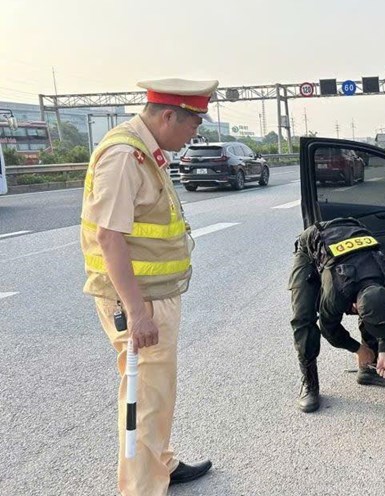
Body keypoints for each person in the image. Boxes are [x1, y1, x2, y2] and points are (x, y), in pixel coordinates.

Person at [80, 78, 217, 495]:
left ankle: (160, 464)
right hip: (139, 301)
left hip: (152, 296)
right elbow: (109, 238)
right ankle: (142, 488)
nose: (195, 132)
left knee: (158, 392)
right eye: (193, 123)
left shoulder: (145, 151)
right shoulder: (124, 156)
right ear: (168, 115)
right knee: (144, 397)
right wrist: (137, 312)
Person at [289, 217, 385, 413]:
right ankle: (310, 383)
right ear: (354, 306)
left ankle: (370, 367)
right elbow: (328, 328)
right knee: (303, 317)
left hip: (353, 233)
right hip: (312, 245)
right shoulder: (337, 292)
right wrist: (358, 349)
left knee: (375, 312)